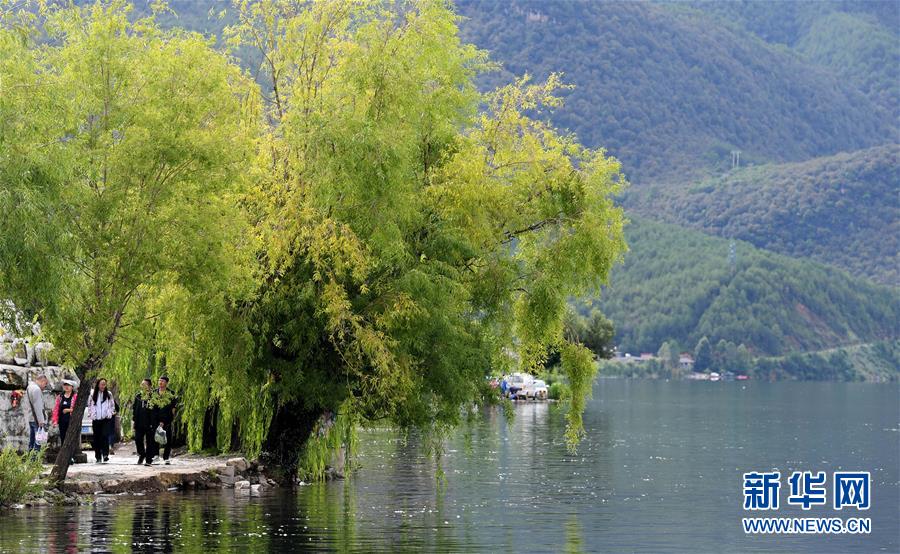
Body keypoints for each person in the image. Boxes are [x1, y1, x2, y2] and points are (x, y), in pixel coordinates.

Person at [88, 378, 116, 463]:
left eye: (104, 384)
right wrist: (91, 414)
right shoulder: (93, 394)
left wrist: (110, 413)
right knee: (97, 438)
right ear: (98, 385)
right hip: (96, 419)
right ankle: (98, 456)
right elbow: (89, 405)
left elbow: (112, 405)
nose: (103, 386)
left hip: (105, 419)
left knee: (104, 436)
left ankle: (105, 454)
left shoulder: (108, 394)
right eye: (101, 384)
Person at [132, 378, 157, 466]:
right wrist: (134, 420)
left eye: (144, 385)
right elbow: (135, 409)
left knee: (150, 441)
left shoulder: (154, 396)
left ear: (150, 386)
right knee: (138, 439)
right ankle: (142, 454)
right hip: (139, 422)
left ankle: (148, 459)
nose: (142, 386)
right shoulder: (138, 396)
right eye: (141, 385)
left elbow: (157, 410)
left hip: (150, 423)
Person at [153, 375, 177, 465]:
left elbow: (173, 408)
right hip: (156, 419)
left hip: (167, 419)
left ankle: (166, 457)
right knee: (156, 438)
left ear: (166, 383)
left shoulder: (171, 393)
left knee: (168, 438)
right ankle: (156, 455)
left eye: (162, 381)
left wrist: (170, 418)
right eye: (159, 381)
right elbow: (152, 407)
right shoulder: (154, 393)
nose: (160, 382)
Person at [23, 374, 48, 452]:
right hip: (37, 419)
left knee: (32, 441)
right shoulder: (36, 389)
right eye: (45, 384)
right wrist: (41, 421)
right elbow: (38, 407)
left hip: (31, 417)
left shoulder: (29, 387)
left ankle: (30, 460)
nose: (45, 386)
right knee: (37, 443)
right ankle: (34, 461)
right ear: (42, 381)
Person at [52, 380, 78, 451]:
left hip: (71, 421)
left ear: (72, 387)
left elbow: (78, 409)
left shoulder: (75, 396)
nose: (66, 387)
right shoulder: (60, 397)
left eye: (68, 385)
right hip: (62, 421)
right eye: (65, 385)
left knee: (70, 438)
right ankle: (64, 454)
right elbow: (56, 409)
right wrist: (55, 420)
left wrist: (68, 410)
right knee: (63, 437)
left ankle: (71, 455)